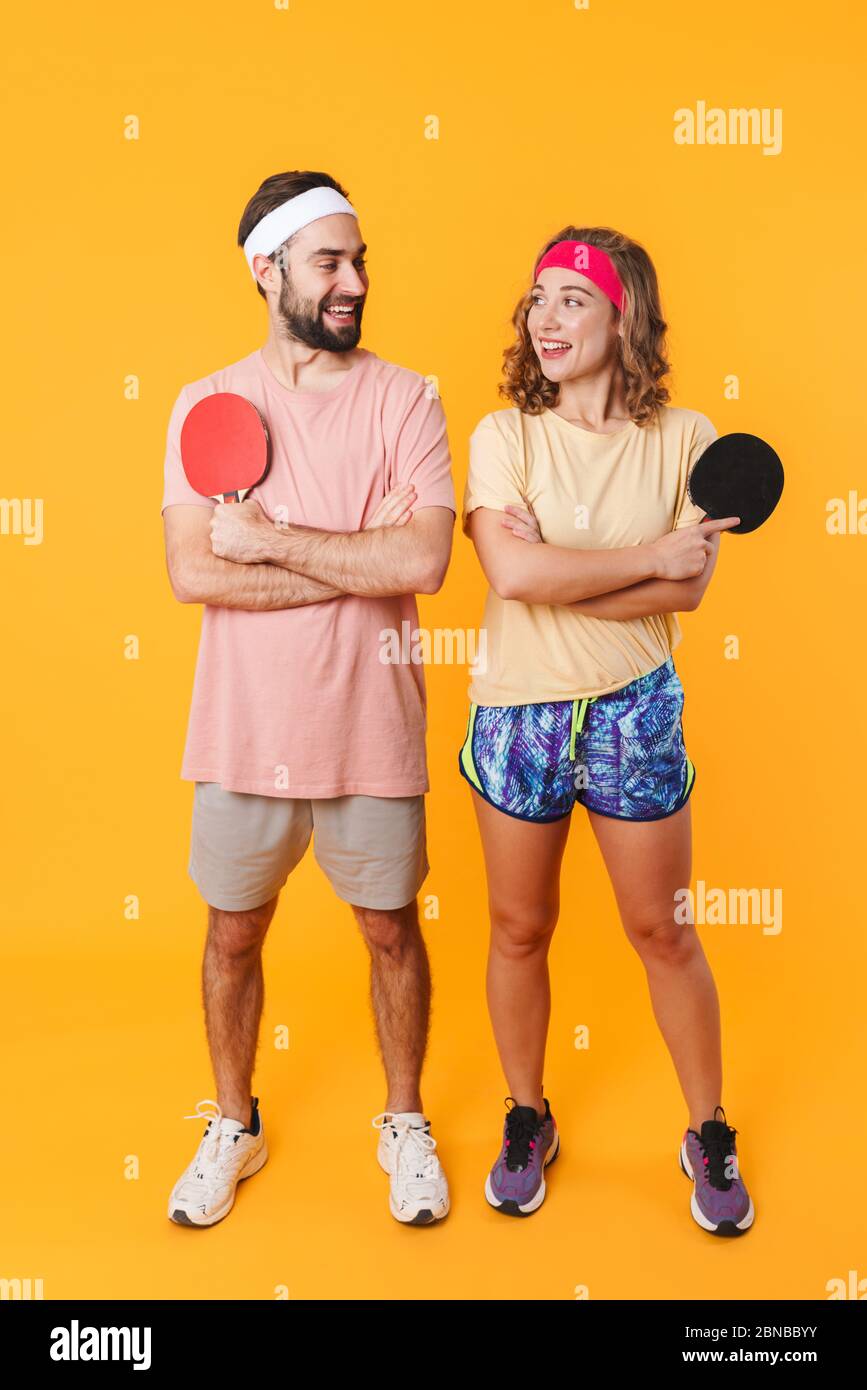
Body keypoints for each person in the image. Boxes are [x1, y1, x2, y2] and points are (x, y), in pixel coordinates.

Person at [161, 171, 455, 1228]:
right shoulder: (206, 404)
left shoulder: (408, 397)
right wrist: (352, 555)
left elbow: (422, 561)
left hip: (371, 730)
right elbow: (195, 573)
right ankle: (235, 1122)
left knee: (389, 931)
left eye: (360, 260)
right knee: (232, 934)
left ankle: (406, 1119)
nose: (354, 281)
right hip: (243, 732)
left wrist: (274, 539)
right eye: (330, 261)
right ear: (267, 267)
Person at [459, 227, 754, 1236]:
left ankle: (707, 1128)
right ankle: (525, 1115)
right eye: (536, 299)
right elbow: (513, 579)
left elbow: (692, 590)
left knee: (663, 930)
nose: (545, 318)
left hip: (636, 715)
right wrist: (642, 560)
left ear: (622, 313)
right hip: (518, 716)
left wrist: (561, 578)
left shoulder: (688, 437)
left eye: (572, 300)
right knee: (517, 929)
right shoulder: (505, 438)